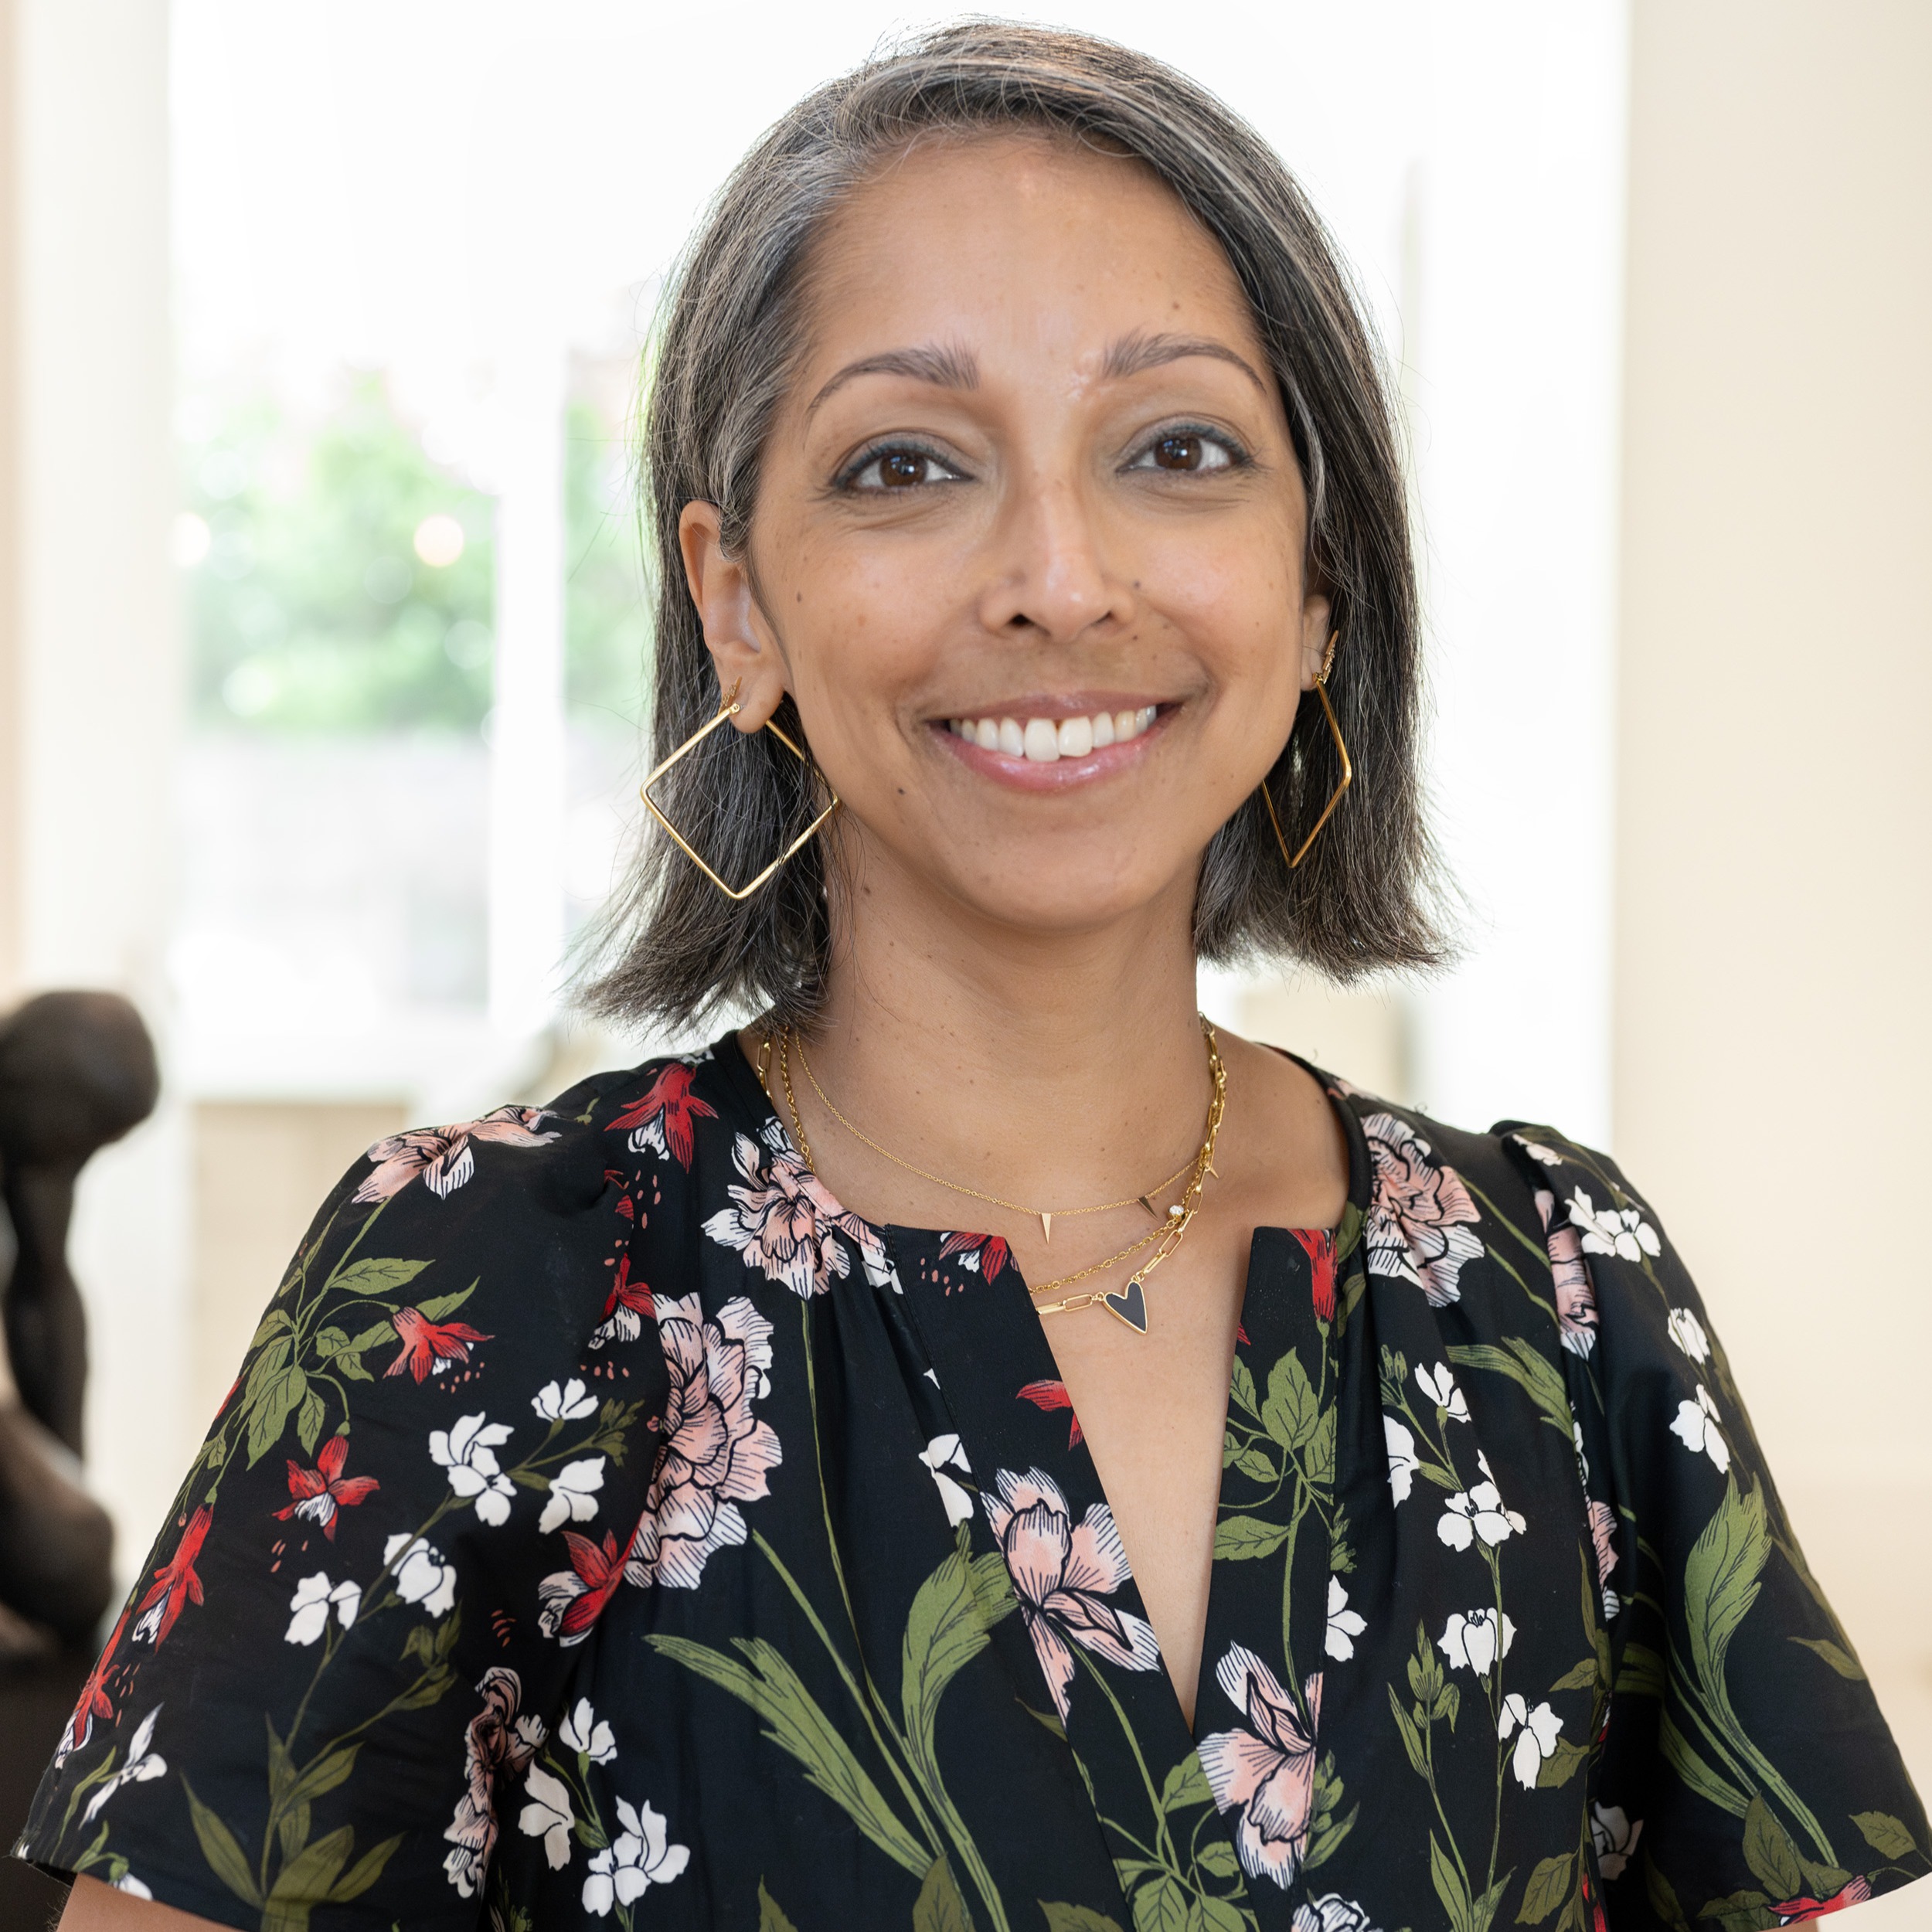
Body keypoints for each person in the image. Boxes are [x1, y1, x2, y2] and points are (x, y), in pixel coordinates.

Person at [19, 22, 1926, 1932]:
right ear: (738, 603)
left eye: (1176, 448)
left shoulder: (1562, 1305)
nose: (1058, 575)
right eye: (905, 464)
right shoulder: (473, 1294)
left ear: (1316, 584)